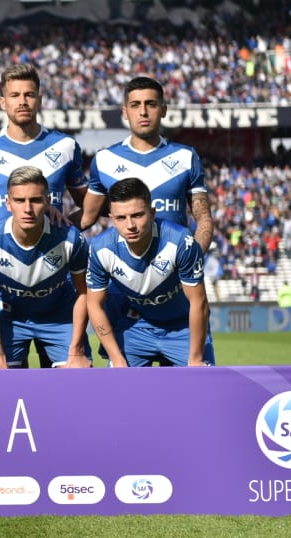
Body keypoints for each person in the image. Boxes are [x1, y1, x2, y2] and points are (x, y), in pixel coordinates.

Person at [78, 76, 213, 360]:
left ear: (163, 109)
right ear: (124, 112)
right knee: (127, 397)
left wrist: (190, 258)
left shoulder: (186, 157)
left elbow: (204, 219)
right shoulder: (104, 160)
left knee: (193, 392)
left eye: (151, 104)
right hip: (127, 296)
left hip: (175, 288)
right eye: (135, 105)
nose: (143, 112)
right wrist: (47, 219)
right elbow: (86, 217)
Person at [0, 166, 91, 369]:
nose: (27, 208)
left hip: (59, 316)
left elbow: (84, 292)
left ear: (47, 202)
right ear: (8, 203)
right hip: (10, 316)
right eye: (19, 200)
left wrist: (77, 349)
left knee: (78, 375)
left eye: (35, 200)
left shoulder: (71, 239)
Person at [85, 177, 212, 368]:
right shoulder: (99, 248)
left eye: (137, 215)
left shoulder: (180, 241)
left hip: (183, 327)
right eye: (121, 218)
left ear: (152, 213)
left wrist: (194, 359)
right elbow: (94, 305)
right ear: (112, 218)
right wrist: (117, 358)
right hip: (136, 327)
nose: (130, 225)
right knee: (121, 391)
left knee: (200, 389)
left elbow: (199, 302)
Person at [0, 62, 88, 221]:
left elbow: (90, 207)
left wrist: (66, 232)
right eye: (14, 95)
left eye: (29, 95)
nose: (22, 101)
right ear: (3, 102)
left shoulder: (66, 146)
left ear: (39, 100)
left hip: (54, 245)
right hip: (2, 246)